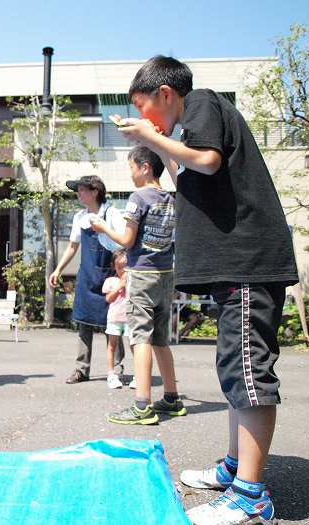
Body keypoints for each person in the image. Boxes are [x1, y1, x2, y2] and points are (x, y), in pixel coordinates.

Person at [118, 56, 298, 525]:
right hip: (235, 263)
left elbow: (209, 161)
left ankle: (250, 496)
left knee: (248, 372)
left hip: (246, 260)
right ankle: (238, 469)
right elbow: (192, 177)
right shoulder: (186, 128)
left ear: (165, 94)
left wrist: (149, 137)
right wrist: (162, 141)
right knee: (234, 370)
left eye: (144, 107)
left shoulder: (200, 103)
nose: (143, 119)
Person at [91, 146, 184, 425]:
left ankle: (142, 405)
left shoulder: (138, 197)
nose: (130, 174)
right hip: (165, 273)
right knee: (160, 339)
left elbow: (127, 241)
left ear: (145, 167)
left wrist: (103, 228)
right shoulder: (171, 198)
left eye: (132, 167)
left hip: (140, 274)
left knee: (140, 337)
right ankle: (171, 398)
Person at [48, 175, 127, 384]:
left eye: (82, 190)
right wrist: (58, 269)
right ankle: (81, 369)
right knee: (83, 322)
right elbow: (73, 246)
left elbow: (124, 243)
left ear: (95, 192)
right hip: (87, 274)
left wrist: (125, 273)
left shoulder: (112, 214)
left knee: (115, 323)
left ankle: (117, 369)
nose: (78, 194)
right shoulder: (79, 217)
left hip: (110, 275)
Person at [102, 249, 130, 389]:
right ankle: (111, 373)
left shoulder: (133, 281)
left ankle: (139, 375)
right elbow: (108, 298)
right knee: (112, 346)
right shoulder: (110, 281)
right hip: (114, 317)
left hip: (129, 317)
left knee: (135, 347)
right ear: (114, 267)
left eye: (125, 267)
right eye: (119, 268)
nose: (122, 271)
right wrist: (119, 286)